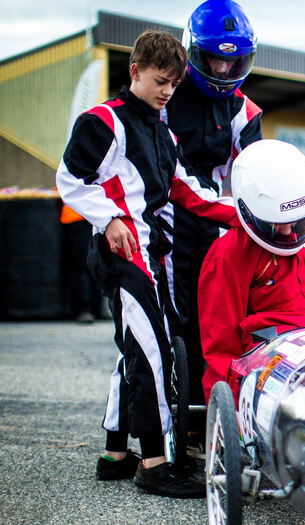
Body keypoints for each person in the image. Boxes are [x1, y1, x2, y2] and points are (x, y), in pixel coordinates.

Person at [56, 29, 238, 498]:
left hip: (151, 255)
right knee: (151, 349)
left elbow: (185, 189)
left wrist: (246, 215)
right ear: (134, 71)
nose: (167, 92)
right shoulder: (102, 120)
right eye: (161, 81)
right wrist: (109, 218)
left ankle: (116, 455)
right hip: (121, 255)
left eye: (174, 85)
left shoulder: (163, 129)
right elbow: (70, 179)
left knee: (135, 348)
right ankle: (154, 464)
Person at [198, 139, 305, 401]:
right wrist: (233, 409)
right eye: (275, 224)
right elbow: (221, 347)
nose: (289, 232)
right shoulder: (228, 253)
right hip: (278, 359)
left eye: (298, 222)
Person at [160, 0, 262, 411]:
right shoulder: (165, 97)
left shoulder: (244, 109)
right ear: (193, 52)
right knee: (171, 323)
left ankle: (212, 410)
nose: (222, 70)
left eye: (232, 61)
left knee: (217, 320)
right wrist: (234, 214)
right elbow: (170, 175)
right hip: (165, 222)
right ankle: (165, 420)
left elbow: (255, 174)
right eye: (214, 60)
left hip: (216, 226)